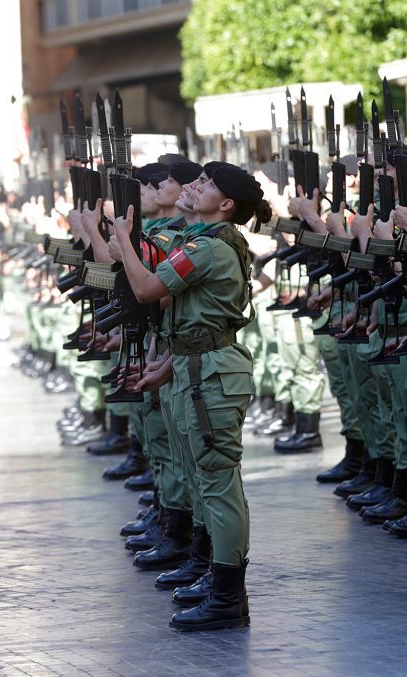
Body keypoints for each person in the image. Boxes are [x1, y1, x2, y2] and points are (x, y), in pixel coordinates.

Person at [109, 161, 267, 632]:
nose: (196, 188)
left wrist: (123, 241)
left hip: (212, 373)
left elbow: (145, 288)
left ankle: (227, 596)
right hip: (192, 365)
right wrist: (168, 362)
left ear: (226, 205)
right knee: (202, 480)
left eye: (207, 185)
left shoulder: (212, 248)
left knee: (218, 485)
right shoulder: (202, 242)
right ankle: (209, 572)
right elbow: (182, 314)